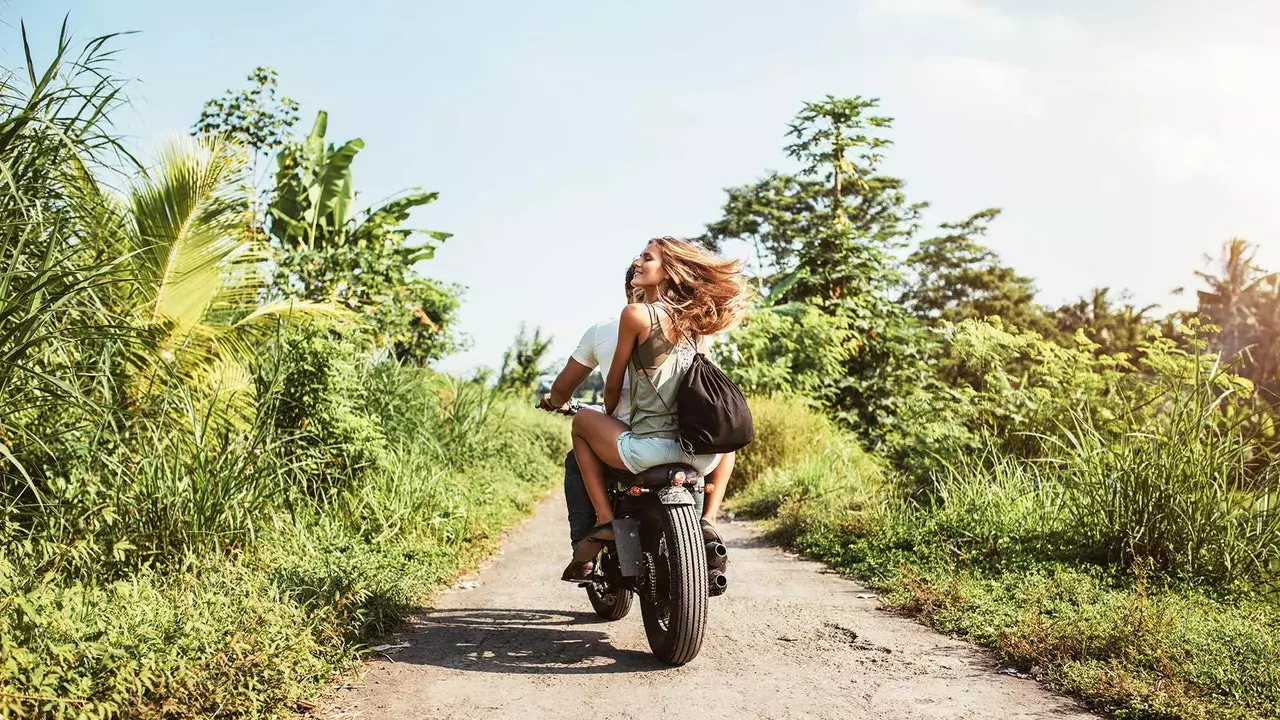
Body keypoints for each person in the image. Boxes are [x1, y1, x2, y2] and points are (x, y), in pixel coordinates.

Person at [565, 236, 751, 575]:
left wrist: (609, 414)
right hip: (701, 456)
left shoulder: (635, 314)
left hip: (649, 450)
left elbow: (612, 385)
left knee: (580, 424)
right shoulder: (699, 323)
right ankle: (707, 519)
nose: (638, 262)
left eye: (647, 258)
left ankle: (606, 520)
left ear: (667, 272)